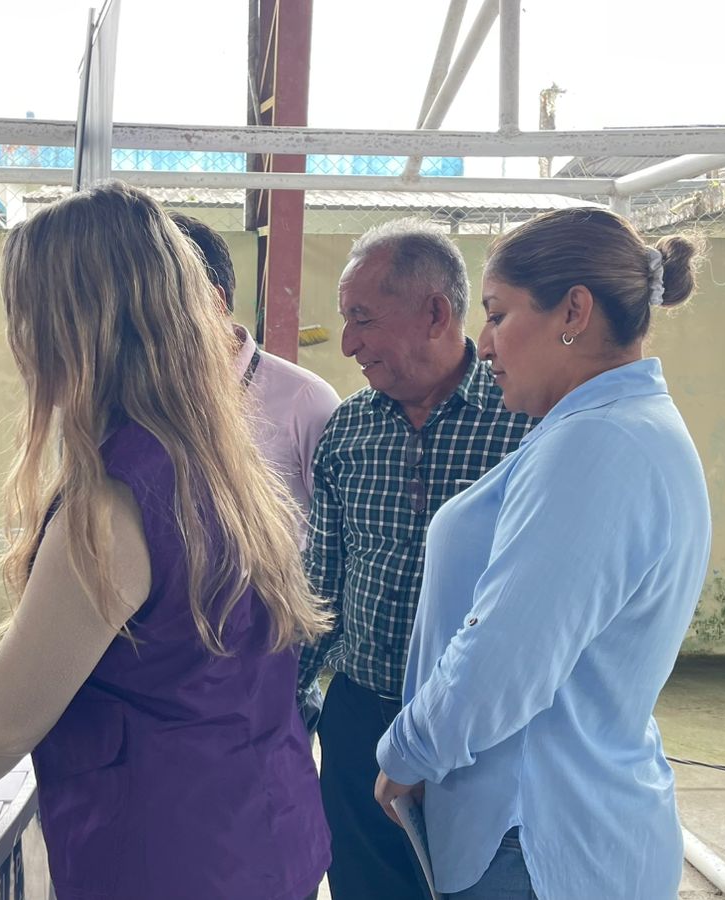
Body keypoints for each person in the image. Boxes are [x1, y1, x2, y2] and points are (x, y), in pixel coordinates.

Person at [0, 183, 332, 900]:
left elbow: (12, 711)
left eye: (23, 314)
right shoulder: (216, 463)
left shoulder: (115, 498)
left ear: (68, 327)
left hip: (170, 860)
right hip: (263, 830)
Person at [374, 208, 713, 899]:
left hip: (538, 835)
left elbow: (504, 658)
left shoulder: (596, 444)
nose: (484, 345)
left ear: (574, 312)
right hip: (557, 819)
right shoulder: (612, 426)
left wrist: (407, 754)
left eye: (498, 315)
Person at [298, 220, 532, 900]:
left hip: (481, 733)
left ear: (434, 313)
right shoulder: (348, 429)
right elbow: (322, 586)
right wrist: (285, 705)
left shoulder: (524, 422)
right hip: (359, 719)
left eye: (363, 318)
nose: (348, 343)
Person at [168, 212, 341, 527]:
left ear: (214, 303)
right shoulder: (143, 399)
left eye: (157, 303)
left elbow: (338, 534)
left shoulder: (306, 402)